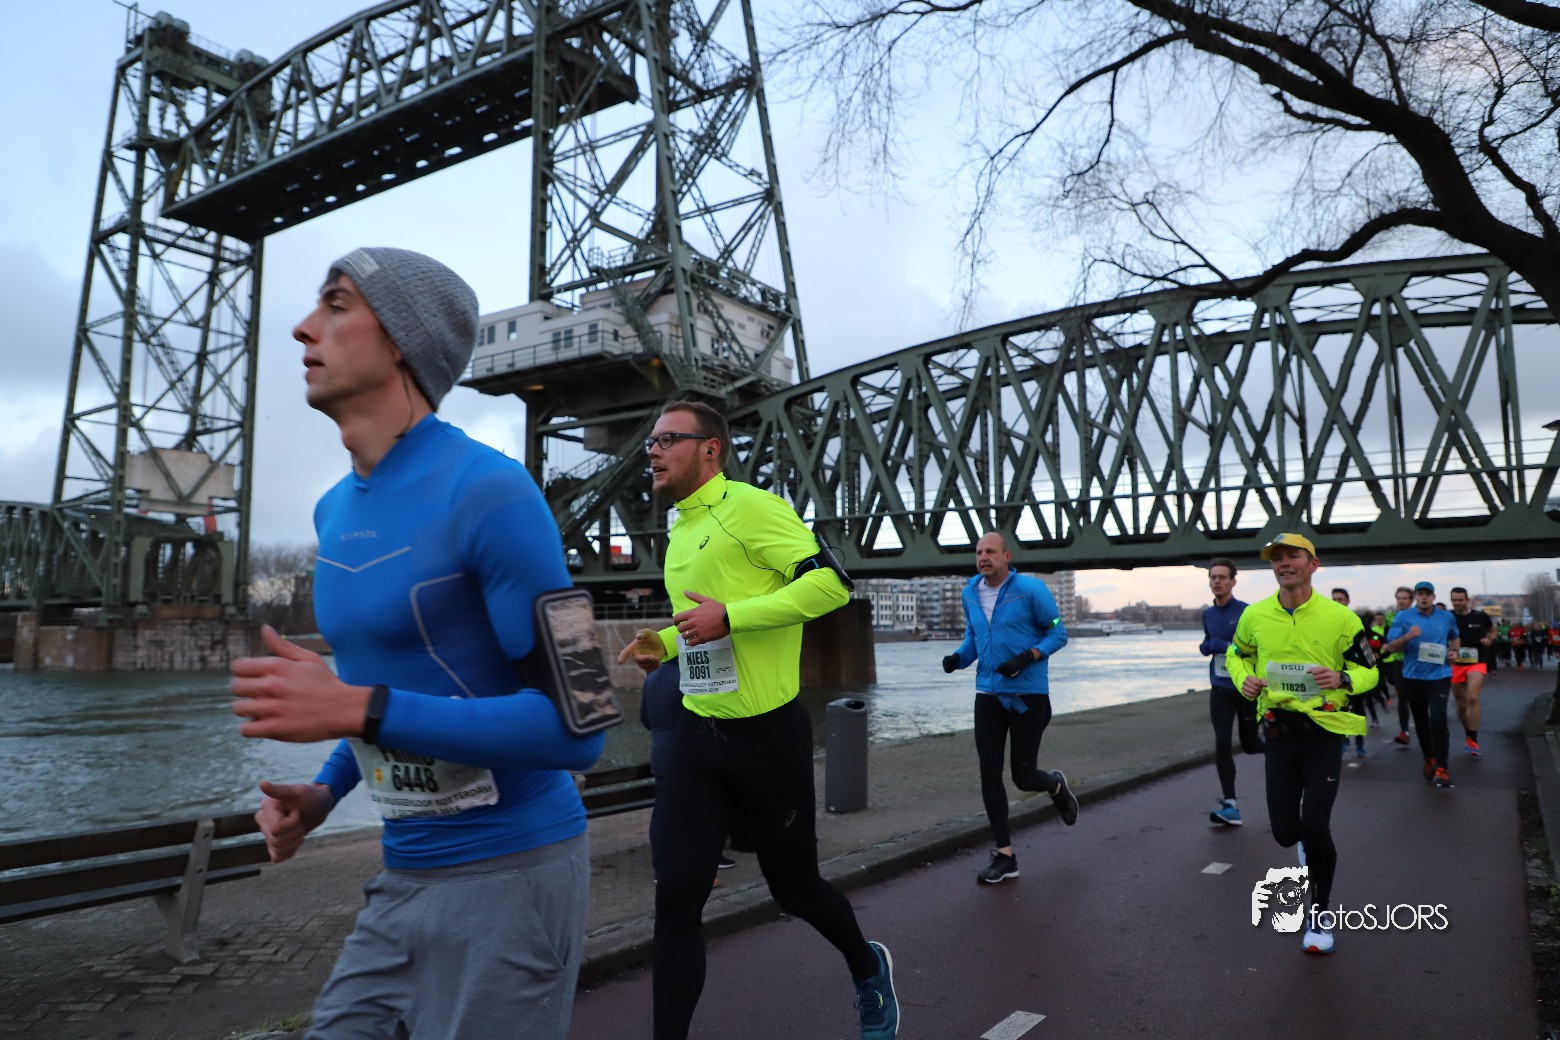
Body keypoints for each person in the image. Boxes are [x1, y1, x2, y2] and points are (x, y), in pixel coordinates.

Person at [229, 247, 604, 1040]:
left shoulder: (494, 492)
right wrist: (325, 792)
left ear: (403, 340)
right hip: (402, 877)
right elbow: (391, 686)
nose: (303, 328)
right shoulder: (332, 511)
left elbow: (580, 731)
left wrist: (356, 706)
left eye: (336, 304)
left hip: (514, 875)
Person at [615, 399, 898, 1040]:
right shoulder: (682, 528)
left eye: (667, 439)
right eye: (650, 442)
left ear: (710, 448)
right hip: (698, 736)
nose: (652, 451)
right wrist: (667, 641)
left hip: (768, 738)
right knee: (676, 897)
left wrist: (731, 618)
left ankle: (866, 965)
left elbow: (831, 586)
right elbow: (708, 619)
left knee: (794, 890)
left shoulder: (753, 509)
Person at [1225, 532, 1377, 955]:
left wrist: (1343, 678)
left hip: (1324, 732)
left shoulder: (1341, 619)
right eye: (1277, 558)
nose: (1284, 563)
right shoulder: (1255, 615)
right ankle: (1305, 846)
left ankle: (1320, 915)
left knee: (1315, 826)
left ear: (1314, 564)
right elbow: (1237, 655)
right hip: (1278, 733)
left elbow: (1371, 670)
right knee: (1285, 833)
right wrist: (1244, 680)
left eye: (1294, 555)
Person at [944, 532, 1077, 881]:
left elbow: (1058, 632)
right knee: (989, 771)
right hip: (987, 695)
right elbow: (974, 638)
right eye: (978, 552)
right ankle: (1005, 856)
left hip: (1028, 696)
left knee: (1023, 777)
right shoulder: (970, 593)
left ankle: (1055, 786)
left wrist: (1028, 656)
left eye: (990, 551)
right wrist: (959, 658)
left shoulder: (1031, 590)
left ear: (1007, 556)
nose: (983, 557)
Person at [638, 659, 742, 881]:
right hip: (686, 753)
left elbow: (645, 718)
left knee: (662, 813)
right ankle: (701, 863)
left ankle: (663, 867)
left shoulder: (652, 677)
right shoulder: (690, 676)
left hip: (660, 752)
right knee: (698, 812)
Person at [1383, 581, 1461, 789]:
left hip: (1440, 675)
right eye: (1420, 594)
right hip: (1413, 677)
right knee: (1421, 721)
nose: (1424, 597)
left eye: (1428, 594)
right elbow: (1391, 646)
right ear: (1415, 597)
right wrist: (1408, 635)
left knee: (1438, 719)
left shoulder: (1446, 617)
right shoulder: (1403, 617)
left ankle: (1442, 768)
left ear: (1433, 597)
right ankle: (1429, 757)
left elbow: (1454, 638)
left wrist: (1454, 652)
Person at [1200, 557, 1257, 825]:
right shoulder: (1208, 614)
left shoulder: (1247, 612)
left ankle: (1287, 755)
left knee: (1250, 745)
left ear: (1233, 582)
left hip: (1245, 688)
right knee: (1222, 743)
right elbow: (1207, 642)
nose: (1217, 581)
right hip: (1220, 688)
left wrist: (1224, 646)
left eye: (1222, 577)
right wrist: (1206, 646)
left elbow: (1254, 649)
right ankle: (1231, 805)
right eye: (1213, 577)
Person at [1448, 587, 1493, 758]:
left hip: (1476, 661)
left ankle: (1473, 740)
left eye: (1460, 600)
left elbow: (1492, 630)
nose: (1457, 603)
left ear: (1467, 600)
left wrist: (1489, 639)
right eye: (1454, 600)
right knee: (1461, 703)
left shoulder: (1480, 616)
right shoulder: (1447, 617)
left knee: (1472, 697)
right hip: (1456, 663)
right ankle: (1468, 733)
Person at [1385, 586, 1414, 745]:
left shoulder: (1417, 615)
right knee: (1402, 695)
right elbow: (1386, 635)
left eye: (1405, 598)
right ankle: (1404, 731)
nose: (1401, 601)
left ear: (1411, 600)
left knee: (1417, 696)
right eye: (1399, 598)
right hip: (1398, 660)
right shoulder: (1390, 616)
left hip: (1415, 660)